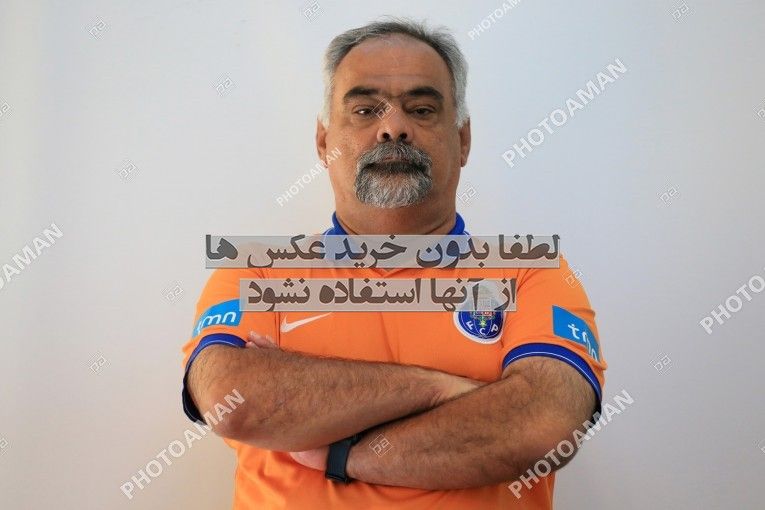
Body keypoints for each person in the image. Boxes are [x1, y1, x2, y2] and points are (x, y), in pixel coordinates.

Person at [181, 16, 607, 509]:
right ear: (323, 142)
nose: (393, 127)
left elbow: (543, 425)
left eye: (422, 110)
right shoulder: (257, 269)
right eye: (365, 110)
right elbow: (232, 400)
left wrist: (341, 454)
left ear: (463, 140)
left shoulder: (533, 269)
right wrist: (437, 388)